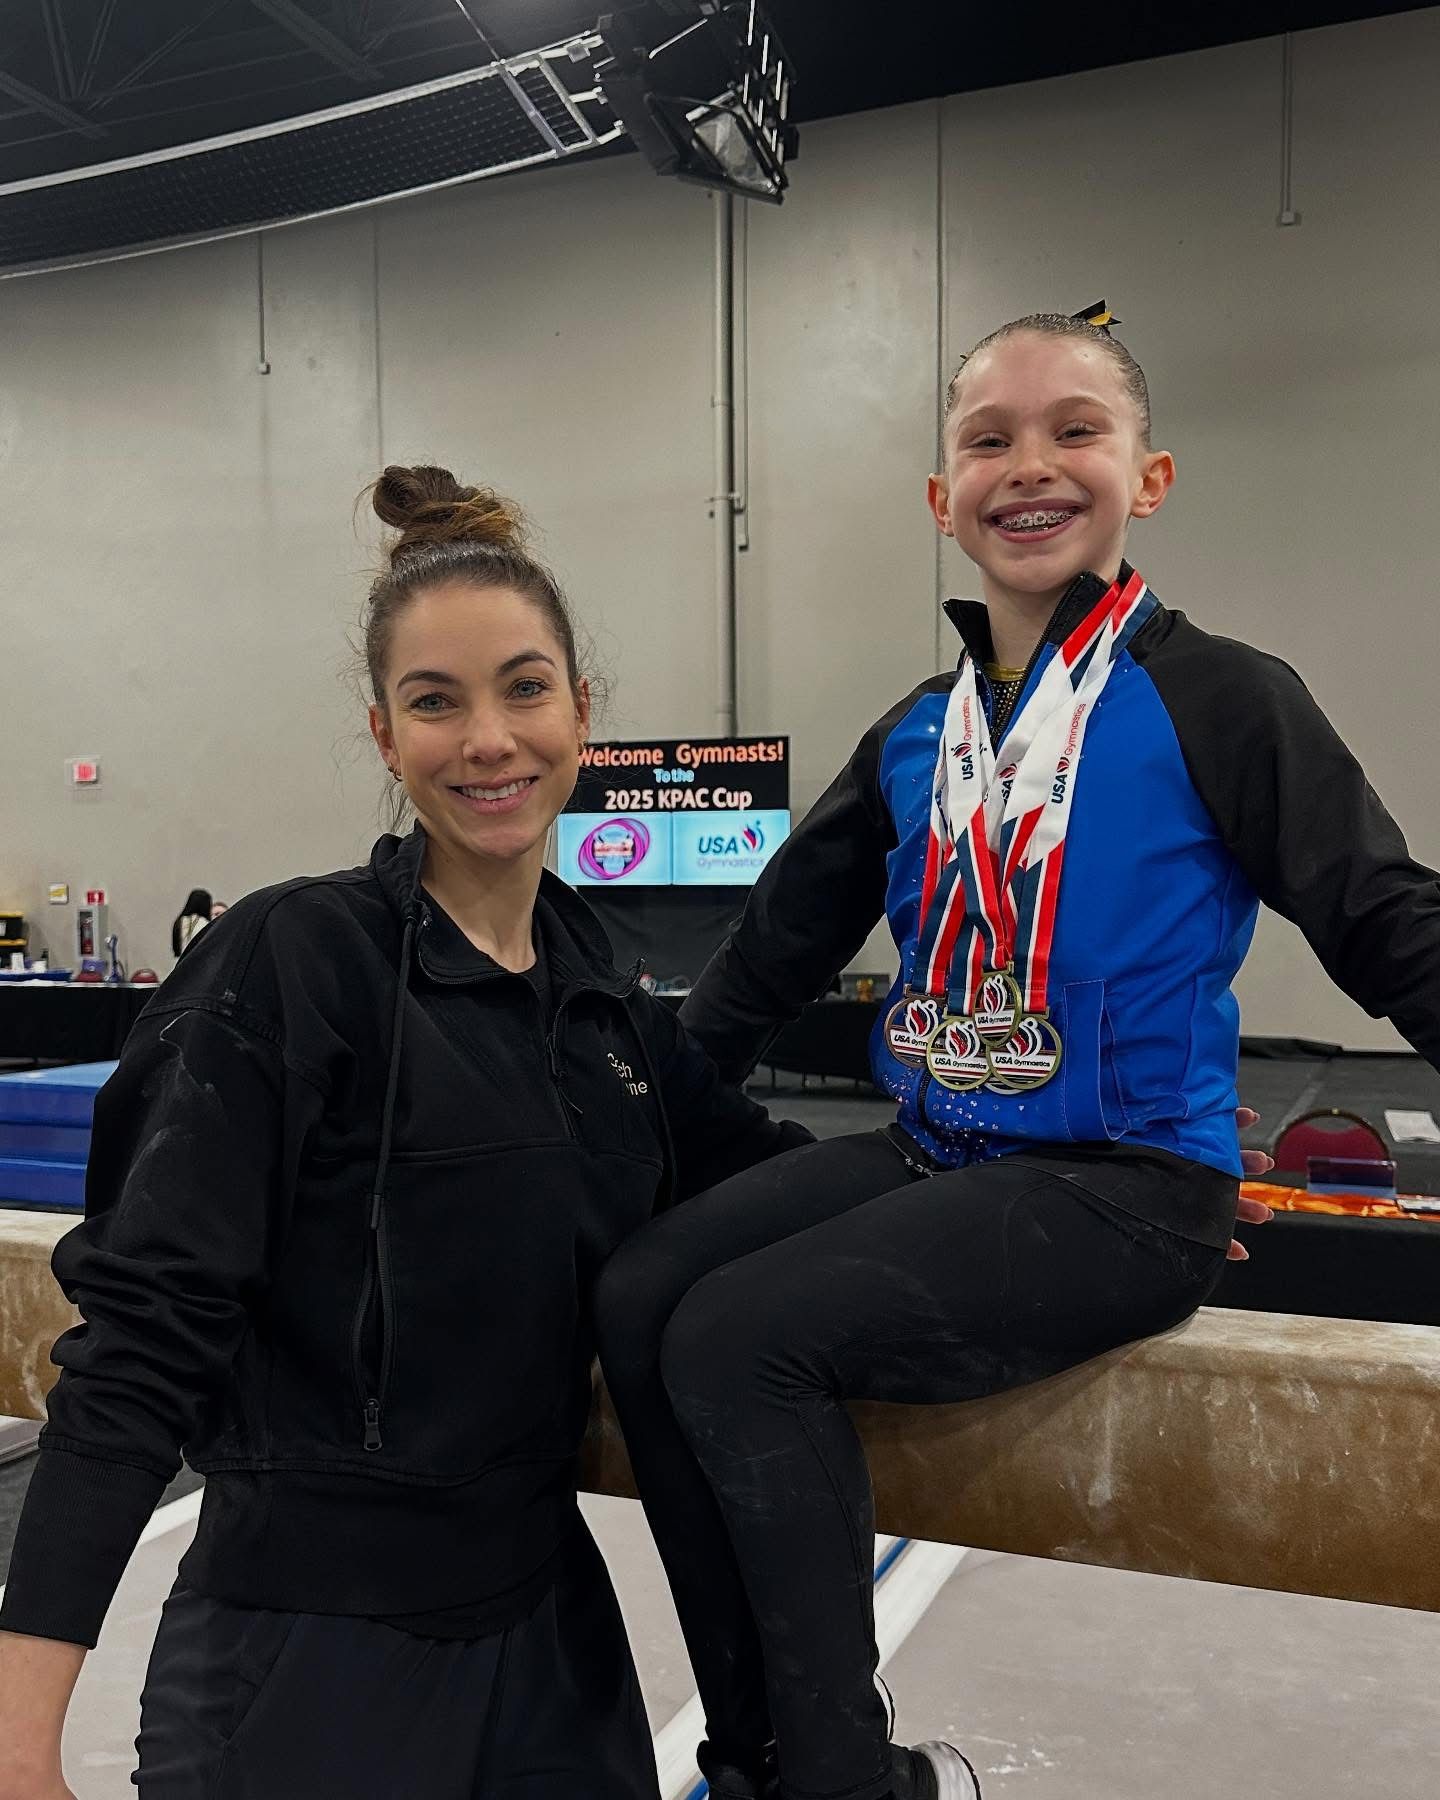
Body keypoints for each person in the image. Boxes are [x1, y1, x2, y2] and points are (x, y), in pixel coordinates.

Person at [593, 305, 1440, 1800]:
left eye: (1075, 431)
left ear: (1148, 475)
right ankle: (755, 1754)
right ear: (942, 497)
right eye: (987, 439)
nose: (1028, 466)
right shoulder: (920, 731)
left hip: (1120, 1183)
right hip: (937, 1150)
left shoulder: (1223, 696)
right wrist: (620, 1114)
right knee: (642, 1290)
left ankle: (843, 1779)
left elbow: (1382, 917)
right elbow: (772, 953)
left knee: (739, 1337)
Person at [0, 466, 808, 1800]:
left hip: (554, 1649)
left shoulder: (600, 1002)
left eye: (524, 688)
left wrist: (1084, 1174)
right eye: (437, 702)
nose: (488, 738)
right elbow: (142, 1341)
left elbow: (786, 1175)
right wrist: (22, 1744)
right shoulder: (293, 962)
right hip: (307, 1661)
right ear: (385, 736)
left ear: (582, 714)